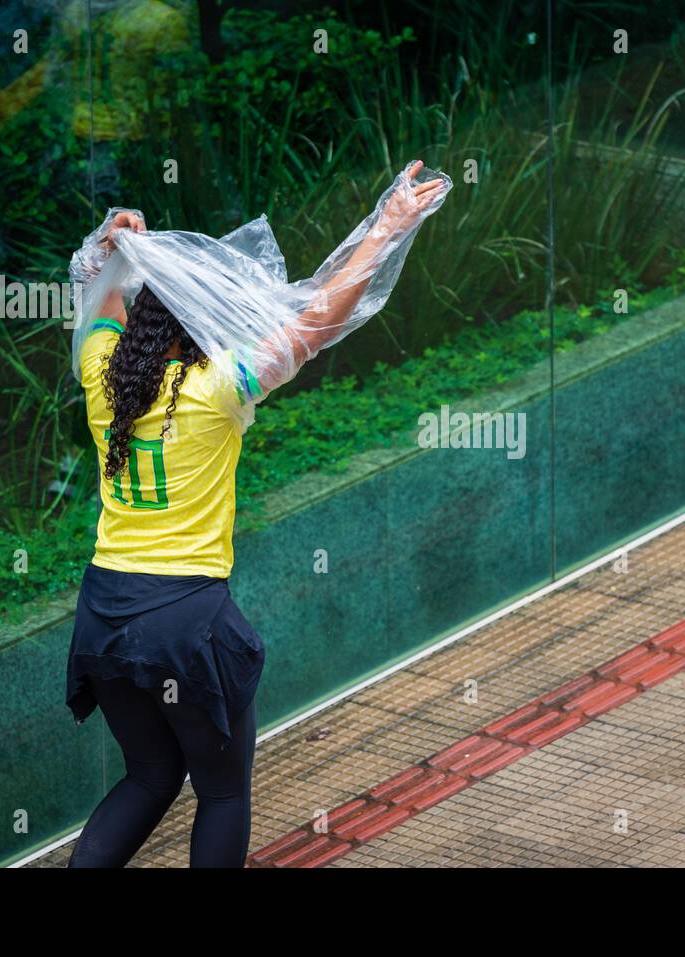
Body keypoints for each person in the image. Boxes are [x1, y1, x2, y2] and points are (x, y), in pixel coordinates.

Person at [63, 163, 448, 866]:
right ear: (201, 322)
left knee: (149, 774)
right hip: (182, 618)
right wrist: (387, 228)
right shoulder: (217, 388)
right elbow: (319, 320)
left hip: (105, 611)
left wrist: (111, 245)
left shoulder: (102, 376)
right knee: (221, 792)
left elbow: (98, 296)